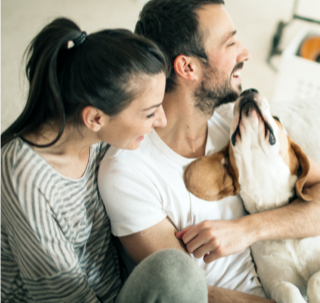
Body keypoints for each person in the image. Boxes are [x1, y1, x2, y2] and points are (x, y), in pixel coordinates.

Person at [98, 0, 320, 302]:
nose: (245, 53)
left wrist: (247, 229)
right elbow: (191, 294)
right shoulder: (127, 172)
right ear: (187, 67)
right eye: (230, 44)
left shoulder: (235, 120)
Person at [0, 17, 209, 303]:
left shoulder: (101, 140)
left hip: (117, 286)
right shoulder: (24, 174)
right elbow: (62, 295)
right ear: (95, 118)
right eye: (149, 113)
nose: (161, 120)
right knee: (175, 271)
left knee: (179, 270)